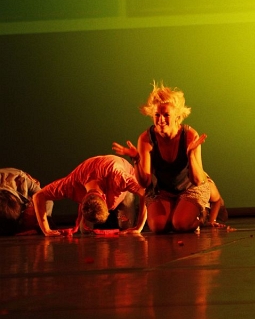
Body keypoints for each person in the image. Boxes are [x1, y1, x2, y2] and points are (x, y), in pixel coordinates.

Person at [113, 82, 210, 233]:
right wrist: (137, 159)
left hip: (190, 188)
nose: (161, 120)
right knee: (158, 227)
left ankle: (202, 216)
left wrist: (191, 155)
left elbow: (197, 180)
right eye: (157, 115)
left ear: (177, 116)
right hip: (162, 191)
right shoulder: (146, 139)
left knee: (180, 224)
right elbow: (145, 183)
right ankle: (177, 211)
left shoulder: (190, 135)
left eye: (166, 115)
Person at [32, 155, 146, 236]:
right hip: (94, 177)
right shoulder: (71, 184)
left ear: (105, 198)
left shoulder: (119, 177)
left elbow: (145, 192)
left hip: (122, 188)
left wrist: (138, 227)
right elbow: (38, 196)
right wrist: (46, 230)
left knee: (126, 227)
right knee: (85, 230)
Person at [0, 168, 49, 235]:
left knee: (36, 213)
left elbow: (47, 198)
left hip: (22, 183)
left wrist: (43, 224)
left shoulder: (22, 180)